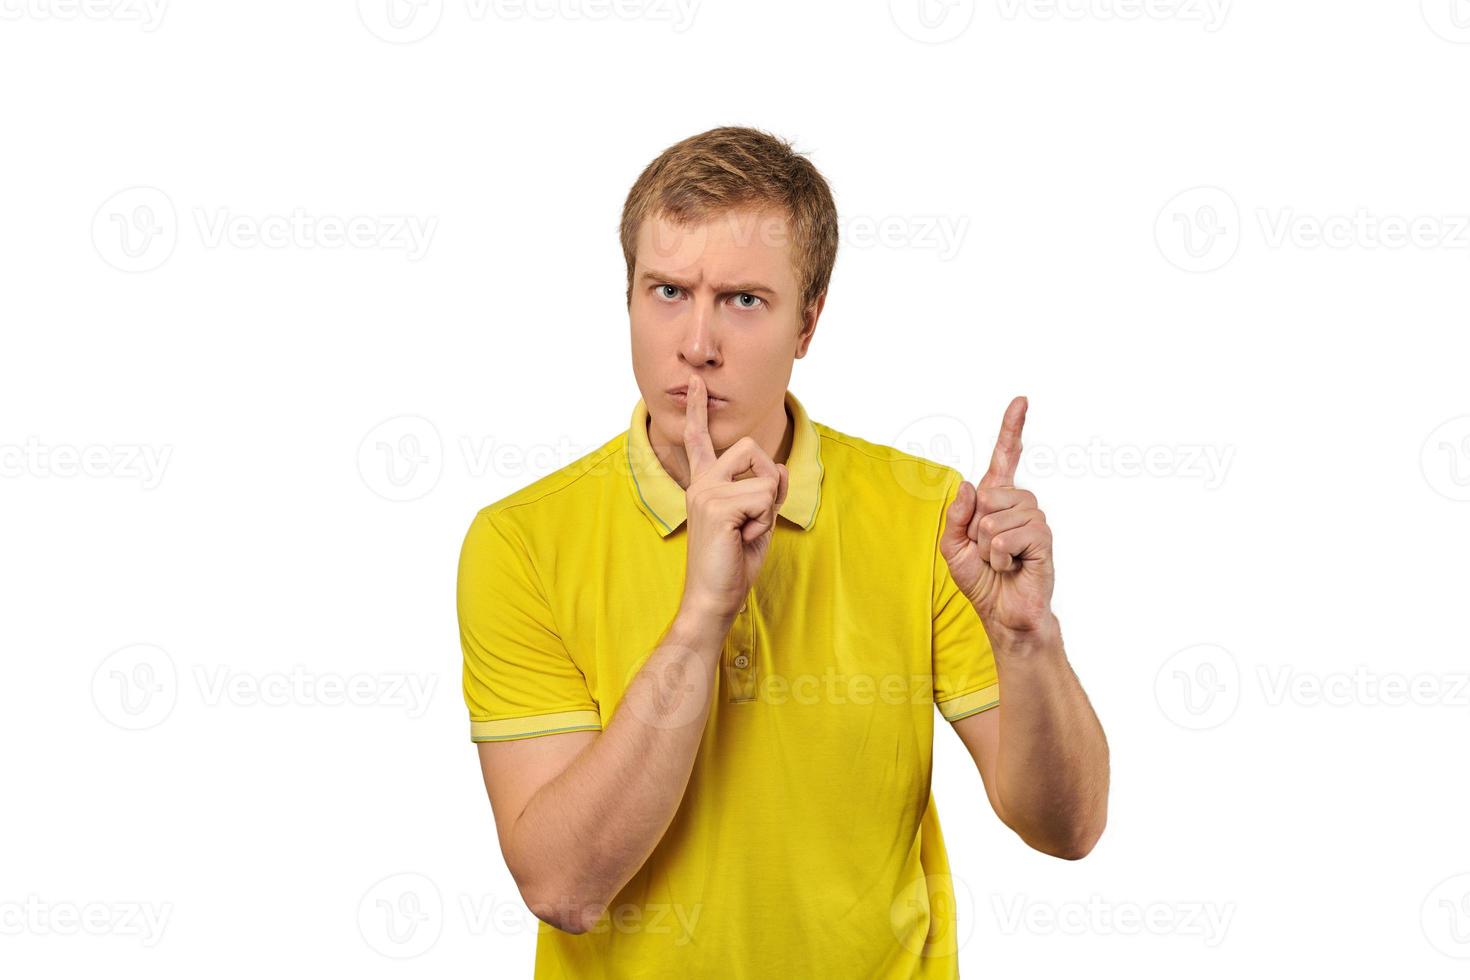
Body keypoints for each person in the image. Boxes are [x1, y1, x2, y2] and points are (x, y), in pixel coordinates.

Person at [457, 125, 1109, 978]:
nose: (696, 343)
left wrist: (1030, 640)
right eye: (665, 291)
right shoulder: (519, 542)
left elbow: (1067, 829)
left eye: (743, 300)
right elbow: (564, 887)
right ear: (625, 297)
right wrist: (701, 619)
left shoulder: (927, 517)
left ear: (809, 321)